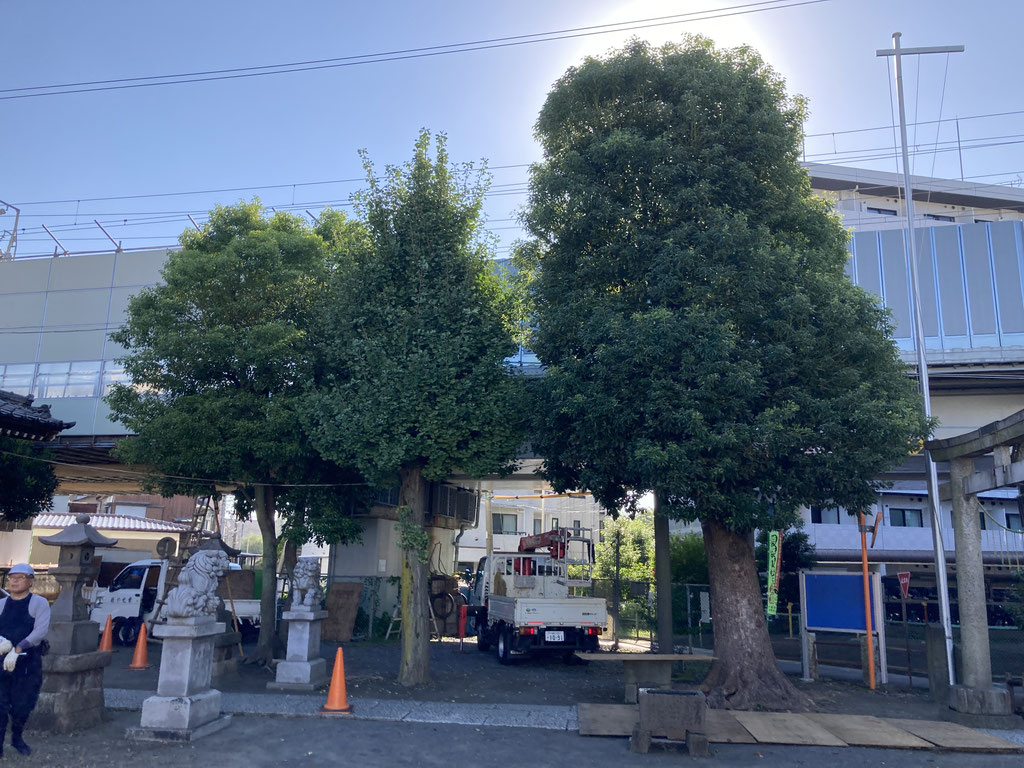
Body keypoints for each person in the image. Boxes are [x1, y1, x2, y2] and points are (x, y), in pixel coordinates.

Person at [0, 564, 50, 757]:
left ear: (31, 581)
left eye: (21, 577)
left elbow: (40, 631)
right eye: (12, 577)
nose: (14, 580)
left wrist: (19, 648)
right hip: (3, 663)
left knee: (22, 706)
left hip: (28, 664)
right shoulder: (2, 604)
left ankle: (17, 738)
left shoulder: (39, 603)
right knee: (0, 706)